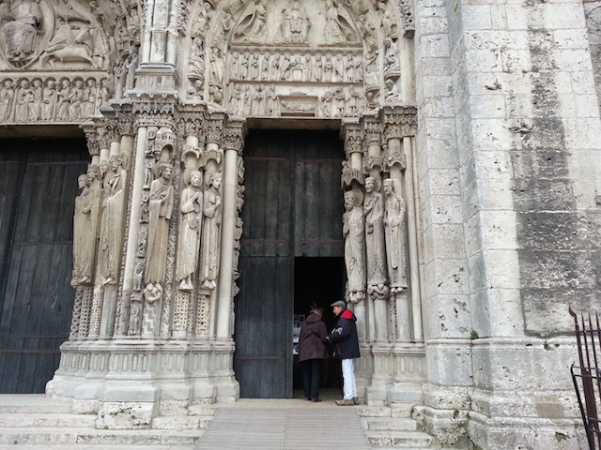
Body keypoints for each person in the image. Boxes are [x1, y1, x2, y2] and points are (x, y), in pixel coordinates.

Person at [326, 300, 360, 406]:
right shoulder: (348, 317)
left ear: (340, 307)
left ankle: (348, 397)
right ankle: (354, 396)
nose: (333, 311)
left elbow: (342, 333)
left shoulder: (344, 318)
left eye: (335, 308)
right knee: (350, 373)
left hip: (346, 349)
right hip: (350, 348)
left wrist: (330, 337)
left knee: (347, 373)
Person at [298, 305, 329, 402]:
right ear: (319, 314)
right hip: (316, 352)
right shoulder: (320, 324)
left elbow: (300, 339)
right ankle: (314, 396)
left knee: (306, 373)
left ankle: (308, 395)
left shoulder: (304, 325)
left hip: (305, 352)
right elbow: (324, 338)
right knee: (315, 373)